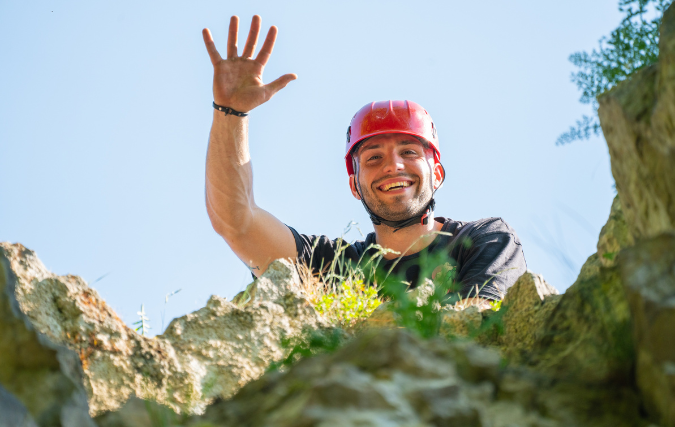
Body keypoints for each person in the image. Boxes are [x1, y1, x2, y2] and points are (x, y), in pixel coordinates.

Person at [202, 16, 526, 306]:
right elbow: (236, 221)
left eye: (409, 152)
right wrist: (231, 113)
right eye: (373, 157)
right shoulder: (336, 267)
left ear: (437, 173)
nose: (393, 165)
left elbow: (479, 327)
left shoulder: (485, 240)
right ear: (354, 186)